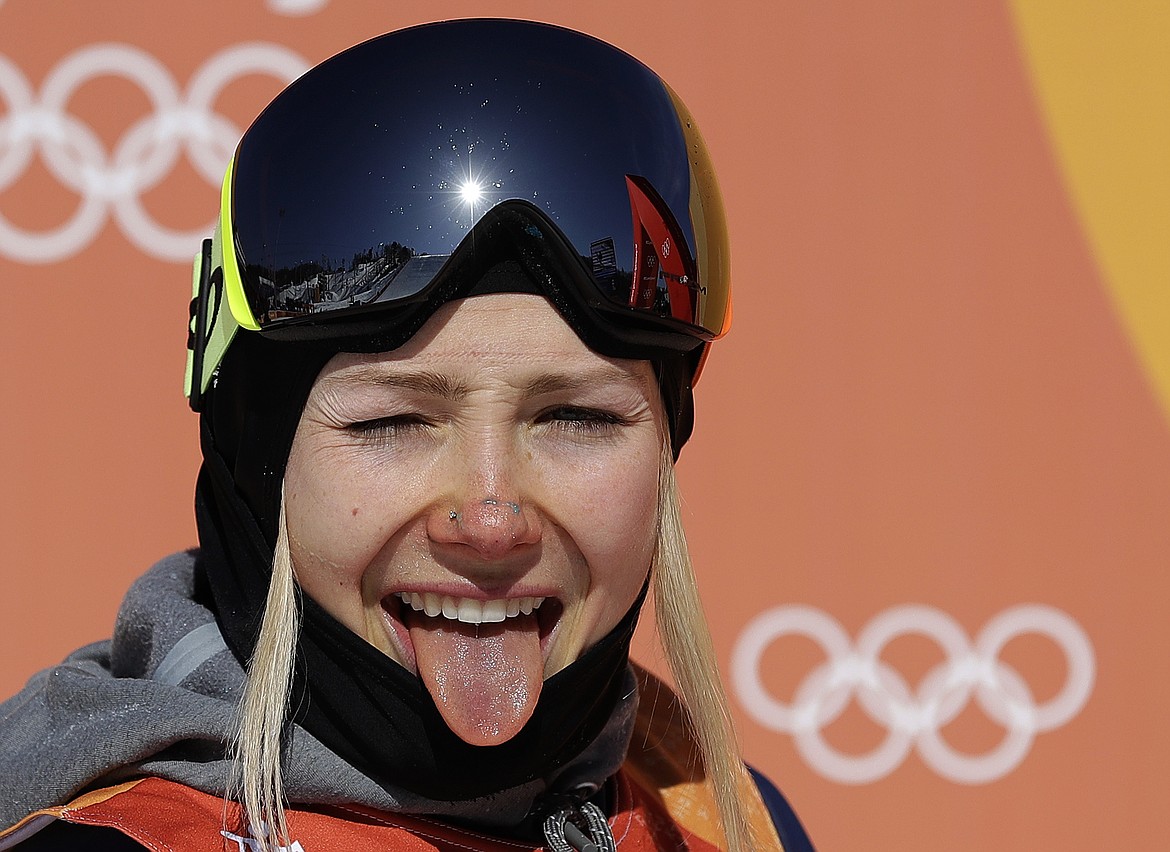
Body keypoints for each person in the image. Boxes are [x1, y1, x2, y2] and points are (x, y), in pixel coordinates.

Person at [0, 20, 813, 852]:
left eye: (579, 417)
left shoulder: (730, 817)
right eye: (393, 422)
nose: (493, 520)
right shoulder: (120, 839)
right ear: (259, 463)